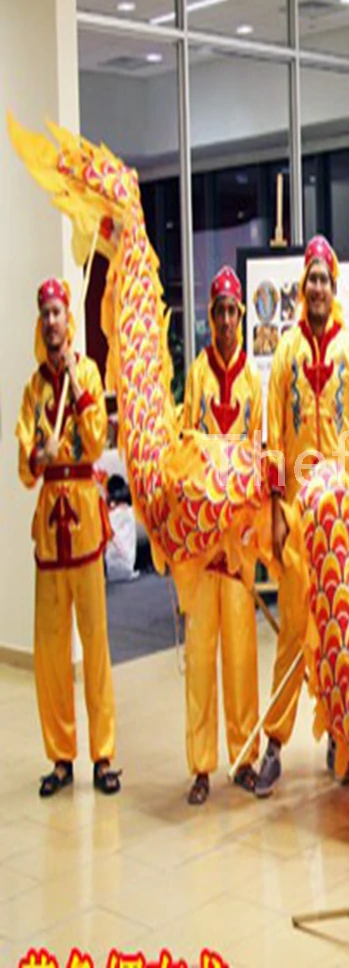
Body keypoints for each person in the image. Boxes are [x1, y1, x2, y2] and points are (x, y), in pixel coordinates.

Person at [257, 235, 349, 798]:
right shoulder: (285, 354)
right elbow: (273, 437)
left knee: (342, 633)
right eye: (311, 280)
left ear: (336, 287)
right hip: (297, 516)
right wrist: (278, 515)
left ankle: (339, 735)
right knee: (294, 636)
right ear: (301, 288)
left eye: (326, 280)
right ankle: (275, 742)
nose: (318, 288)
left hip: (342, 522)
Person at [15, 277, 119, 797]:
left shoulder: (89, 374)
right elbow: (25, 466)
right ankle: (61, 756)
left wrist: (78, 395)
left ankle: (103, 754)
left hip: (84, 526)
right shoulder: (34, 388)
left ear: (67, 320)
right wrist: (39, 453)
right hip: (48, 530)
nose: (52, 321)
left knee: (95, 646)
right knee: (51, 652)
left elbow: (97, 440)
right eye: (45, 313)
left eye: (58, 312)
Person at [179, 265, 261, 804]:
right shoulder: (196, 375)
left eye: (234, 311)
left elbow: (259, 452)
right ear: (210, 318)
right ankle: (202, 764)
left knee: (241, 652)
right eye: (221, 311)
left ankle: (245, 755)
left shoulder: (254, 381)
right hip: (203, 542)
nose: (227, 321)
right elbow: (186, 443)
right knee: (201, 651)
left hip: (240, 538)